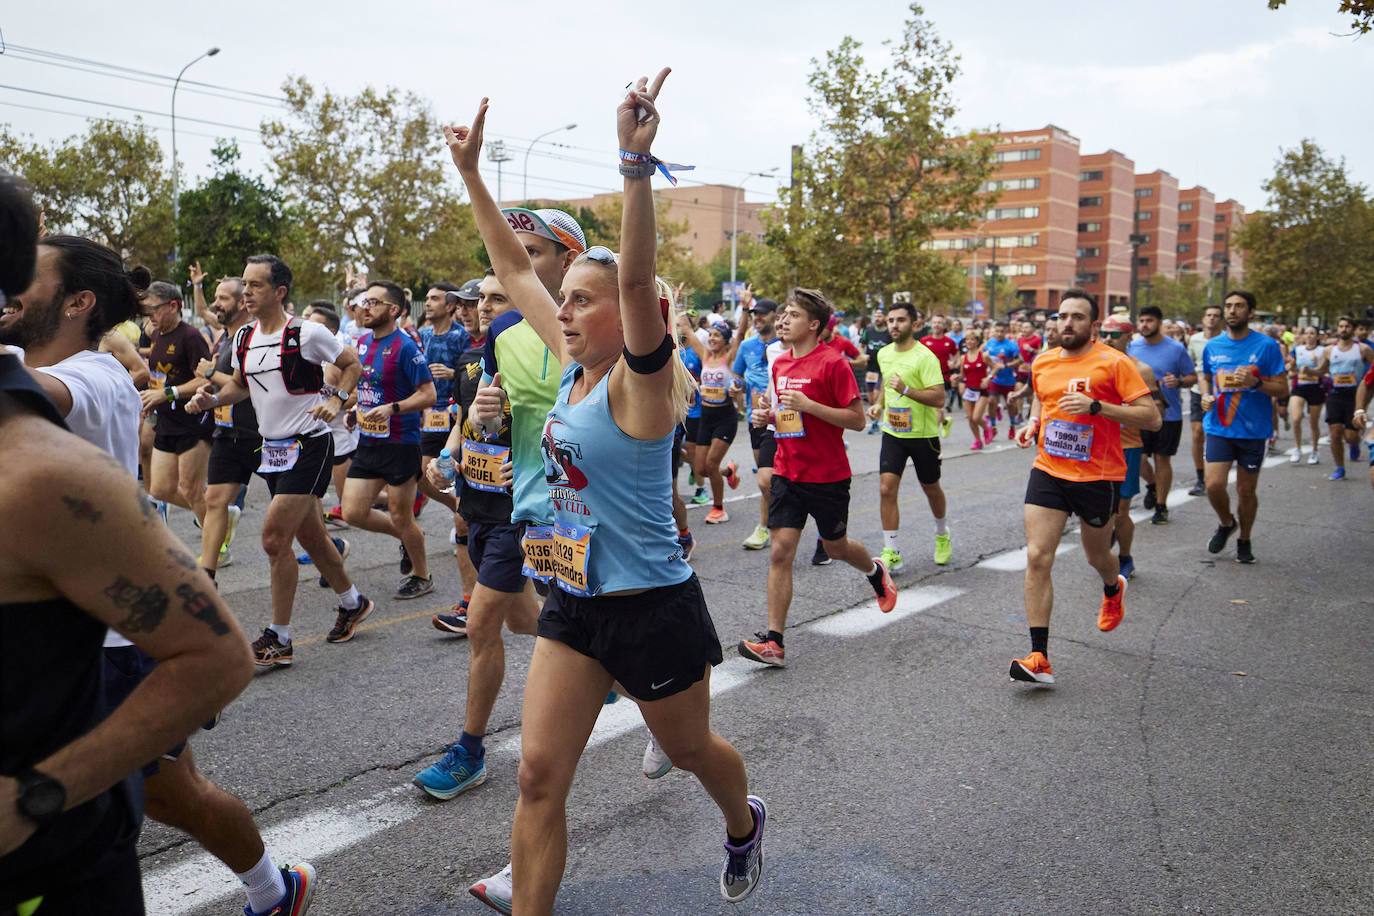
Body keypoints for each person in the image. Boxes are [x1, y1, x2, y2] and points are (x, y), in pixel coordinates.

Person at [446, 70, 768, 912]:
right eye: (565, 299)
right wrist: (473, 175)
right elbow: (514, 267)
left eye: (580, 300)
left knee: (694, 752)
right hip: (576, 600)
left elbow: (631, 282)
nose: (563, 310)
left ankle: (742, 821)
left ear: (629, 317)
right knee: (539, 778)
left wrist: (633, 165)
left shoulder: (642, 387)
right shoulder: (569, 367)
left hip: (652, 605)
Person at [0, 178, 260, 916]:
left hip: (119, 628)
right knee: (169, 792)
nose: (16, 291)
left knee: (165, 792)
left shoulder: (86, 375)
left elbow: (43, 388)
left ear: (76, 301)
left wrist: (31, 800)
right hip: (95, 598)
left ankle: (275, 887)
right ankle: (274, 887)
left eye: (27, 279)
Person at [186, 254, 373, 664]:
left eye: (254, 285)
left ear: (279, 292)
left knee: (274, 538)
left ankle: (280, 637)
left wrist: (336, 399)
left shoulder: (307, 333)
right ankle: (352, 602)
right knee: (312, 537)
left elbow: (352, 364)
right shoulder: (243, 338)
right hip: (272, 450)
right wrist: (210, 399)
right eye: (245, 285)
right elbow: (239, 387)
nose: (246, 292)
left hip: (310, 444)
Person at [412, 269, 540, 801]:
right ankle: (628, 686)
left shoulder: (543, 359)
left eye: (495, 299)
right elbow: (465, 420)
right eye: (477, 299)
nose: (481, 307)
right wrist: (447, 461)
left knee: (481, 626)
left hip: (519, 514)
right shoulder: (473, 361)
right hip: (480, 510)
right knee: (538, 623)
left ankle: (470, 752)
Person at [739, 287, 899, 669]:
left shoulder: (833, 364)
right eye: (782, 315)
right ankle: (774, 642)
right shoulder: (779, 365)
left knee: (836, 547)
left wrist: (810, 405)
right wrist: (768, 418)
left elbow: (858, 420)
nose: (782, 320)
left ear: (813, 324)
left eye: (791, 315)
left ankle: (875, 571)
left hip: (827, 476)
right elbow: (786, 416)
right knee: (780, 551)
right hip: (788, 471)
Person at [1009, 289, 1159, 685]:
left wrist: (1098, 407)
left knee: (1098, 557)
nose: (1067, 323)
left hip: (1098, 476)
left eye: (1077, 317)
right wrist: (1032, 423)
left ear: (1094, 326)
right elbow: (1043, 401)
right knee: (1038, 556)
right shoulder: (1042, 361)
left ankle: (1113, 586)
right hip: (1049, 470)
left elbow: (1151, 417)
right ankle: (1039, 657)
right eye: (1062, 316)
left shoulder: (1114, 363)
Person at [340, 280, 438, 599]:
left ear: (394, 310)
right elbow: (368, 390)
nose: (364, 307)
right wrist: (356, 407)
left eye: (374, 302)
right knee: (352, 512)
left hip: (401, 443)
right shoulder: (363, 343)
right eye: (364, 302)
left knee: (401, 513)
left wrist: (392, 409)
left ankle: (421, 575)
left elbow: (428, 395)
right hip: (369, 442)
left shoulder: (406, 345)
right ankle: (409, 537)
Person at [1198, 291, 1288, 564]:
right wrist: (1205, 395)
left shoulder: (1266, 346)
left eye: (1239, 306)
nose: (1232, 310)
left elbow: (1283, 387)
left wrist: (1256, 383)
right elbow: (1205, 376)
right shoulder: (1213, 346)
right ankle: (1227, 523)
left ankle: (1244, 539)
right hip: (1219, 426)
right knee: (1213, 485)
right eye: (1228, 306)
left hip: (1253, 430)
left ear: (1250, 313)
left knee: (1246, 491)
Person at [868, 302, 951, 572]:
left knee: (931, 488)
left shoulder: (924, 357)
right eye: (891, 320)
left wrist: (907, 390)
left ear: (914, 323)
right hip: (893, 432)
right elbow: (885, 384)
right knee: (886, 488)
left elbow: (939, 397)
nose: (894, 325)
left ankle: (942, 533)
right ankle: (891, 551)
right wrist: (879, 404)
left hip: (923, 435)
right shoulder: (884, 353)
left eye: (900, 320)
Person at [138, 280, 214, 527]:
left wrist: (167, 394)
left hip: (193, 422)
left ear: (173, 305)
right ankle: (220, 515)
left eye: (153, 309)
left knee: (191, 489)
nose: (149, 316)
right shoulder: (158, 335)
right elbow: (162, 376)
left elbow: (205, 379)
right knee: (160, 489)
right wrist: (153, 399)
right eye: (146, 311)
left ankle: (218, 545)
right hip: (167, 422)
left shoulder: (191, 337)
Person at [1099, 315, 1165, 580]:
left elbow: (1156, 413)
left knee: (1121, 510)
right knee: (1100, 510)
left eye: (1114, 334)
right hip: (1095, 446)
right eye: (1103, 333)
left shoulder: (1142, 369)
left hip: (1126, 446)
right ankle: (1107, 540)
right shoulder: (1093, 366)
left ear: (1129, 336)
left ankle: (1125, 557)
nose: (1107, 338)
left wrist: (1122, 412)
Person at [1128, 305, 1197, 525]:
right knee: (1137, 459)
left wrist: (1177, 382)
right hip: (1139, 413)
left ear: (1158, 323)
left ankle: (1161, 505)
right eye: (1141, 321)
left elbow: (1192, 377)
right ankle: (1152, 485)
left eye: (1149, 321)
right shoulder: (1132, 347)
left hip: (1169, 414)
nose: (1144, 325)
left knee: (1162, 458)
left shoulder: (1175, 349)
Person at [683, 318, 742, 524]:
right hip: (705, 418)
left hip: (725, 417)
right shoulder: (706, 356)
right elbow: (688, 331)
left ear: (726, 341)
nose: (712, 338)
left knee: (711, 463)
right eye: (711, 335)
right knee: (700, 468)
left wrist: (743, 310)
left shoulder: (730, 358)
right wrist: (675, 302)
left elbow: (741, 334)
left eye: (717, 335)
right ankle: (728, 472)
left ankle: (719, 508)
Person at [734, 297, 779, 549]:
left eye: (762, 314)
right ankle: (767, 526)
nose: (757, 318)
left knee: (777, 479)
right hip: (757, 419)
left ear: (775, 315)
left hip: (786, 420)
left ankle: (770, 525)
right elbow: (739, 377)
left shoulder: (783, 345)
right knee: (766, 481)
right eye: (754, 314)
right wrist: (734, 387)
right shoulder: (747, 346)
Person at [1321, 316, 1372, 480]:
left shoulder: (1363, 349)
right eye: (1341, 326)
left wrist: (1365, 400)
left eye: (1347, 326)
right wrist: (1309, 371)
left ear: (1353, 329)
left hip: (1354, 395)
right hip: (1335, 395)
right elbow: (1322, 369)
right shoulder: (1329, 350)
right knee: (1335, 432)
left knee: (1351, 437)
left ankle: (1353, 443)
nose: (1344, 329)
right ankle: (1340, 468)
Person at [1186, 305, 1223, 494]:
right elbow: (1189, 363)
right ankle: (1200, 478)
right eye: (1208, 315)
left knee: (1214, 435)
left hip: (1221, 392)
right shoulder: (1195, 339)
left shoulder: (1225, 340)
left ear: (1221, 321)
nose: (1212, 319)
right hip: (1197, 391)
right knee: (1197, 434)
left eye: (1216, 316)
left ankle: (1215, 474)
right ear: (1203, 318)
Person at [1287, 325, 1327, 464]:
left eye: (1312, 333)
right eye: (1307, 333)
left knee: (1313, 422)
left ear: (1317, 336)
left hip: (1316, 387)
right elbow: (1291, 366)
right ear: (1303, 336)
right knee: (1296, 418)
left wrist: (1317, 363)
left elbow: (1327, 371)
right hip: (1299, 387)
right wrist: (1290, 368)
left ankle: (1315, 451)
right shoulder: (1298, 350)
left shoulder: (1323, 351)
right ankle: (1297, 448)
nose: (1309, 336)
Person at [957, 327, 997, 449]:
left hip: (982, 391)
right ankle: (978, 440)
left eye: (972, 339)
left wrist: (988, 378)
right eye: (967, 339)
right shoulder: (963, 358)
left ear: (977, 341)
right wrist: (956, 378)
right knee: (970, 418)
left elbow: (995, 367)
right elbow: (963, 375)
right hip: (969, 390)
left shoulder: (983, 355)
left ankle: (987, 427)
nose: (969, 342)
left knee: (976, 417)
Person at [920, 314, 959, 437]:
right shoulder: (924, 341)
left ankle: (933, 435)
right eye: (934, 322)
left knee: (936, 407)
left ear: (944, 326)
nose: (936, 325)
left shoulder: (949, 342)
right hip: (926, 377)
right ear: (931, 325)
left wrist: (954, 363)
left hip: (943, 377)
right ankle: (945, 422)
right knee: (931, 407)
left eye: (939, 323)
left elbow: (957, 355)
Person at [984, 320, 1021, 438]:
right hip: (995, 379)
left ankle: (1012, 426)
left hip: (1009, 380)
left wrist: (1005, 366)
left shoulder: (1011, 345)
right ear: (994, 331)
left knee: (1010, 405)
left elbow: (1019, 361)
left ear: (1006, 332)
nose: (999, 334)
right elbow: (985, 358)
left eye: (1002, 331)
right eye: (997, 331)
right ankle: (993, 427)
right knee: (991, 402)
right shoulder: (989, 343)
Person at [859, 309, 891, 433]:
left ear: (885, 318)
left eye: (880, 316)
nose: (877, 318)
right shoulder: (868, 331)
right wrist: (862, 355)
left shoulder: (889, 332)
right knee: (871, 397)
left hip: (883, 370)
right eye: (876, 316)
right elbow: (862, 345)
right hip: (871, 369)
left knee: (878, 395)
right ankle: (874, 421)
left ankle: (876, 423)